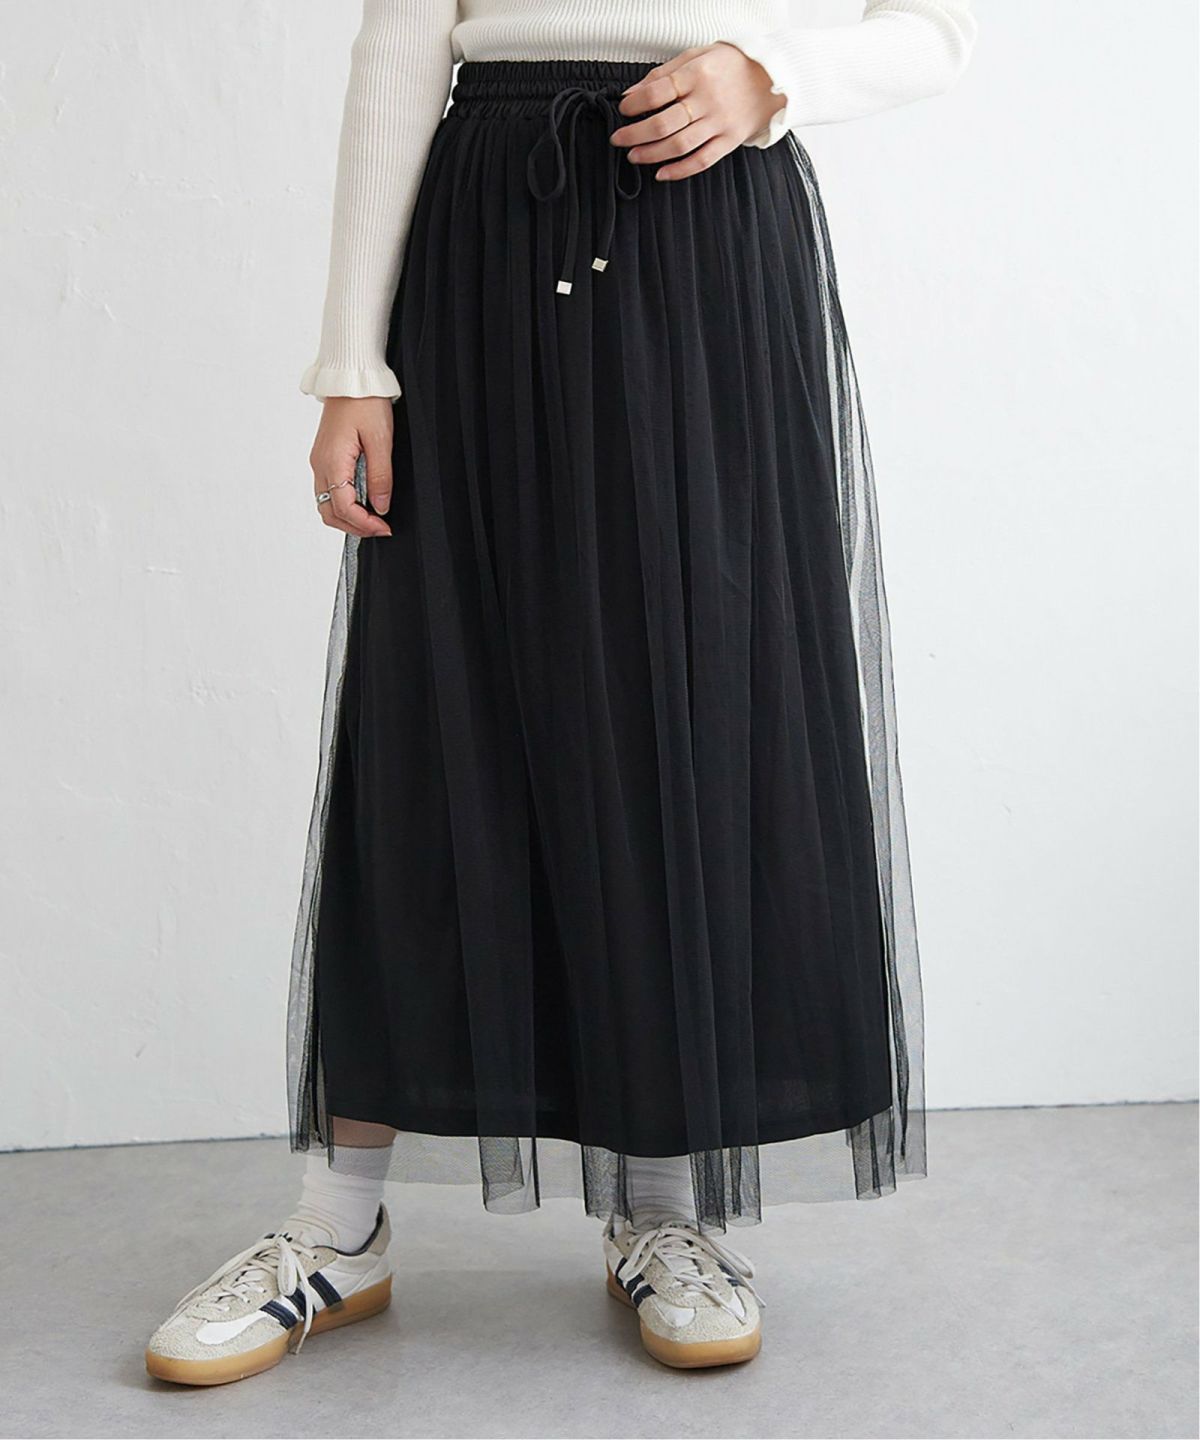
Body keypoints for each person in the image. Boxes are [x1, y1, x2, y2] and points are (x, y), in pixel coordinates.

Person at [145, 0, 976, 1386]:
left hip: (707, 235)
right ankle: (337, 1227)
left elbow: (938, 26)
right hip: (485, 236)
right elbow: (399, 51)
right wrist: (351, 360)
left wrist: (772, 72)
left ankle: (660, 1208)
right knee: (429, 712)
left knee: (685, 712)